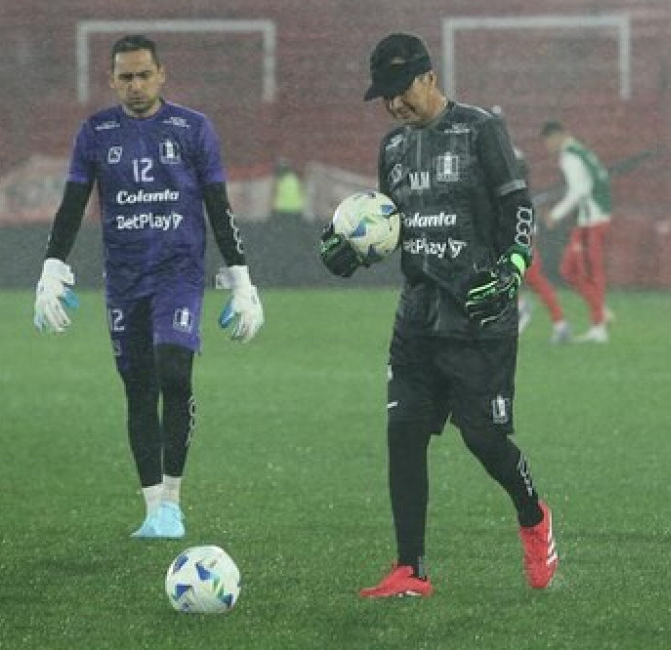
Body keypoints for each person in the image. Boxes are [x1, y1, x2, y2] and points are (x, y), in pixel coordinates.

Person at [320, 33, 558, 597]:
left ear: (429, 77)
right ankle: (411, 569)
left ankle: (533, 515)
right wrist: (346, 251)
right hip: (417, 317)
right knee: (402, 434)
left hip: (478, 317)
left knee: (485, 441)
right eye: (384, 97)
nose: (394, 105)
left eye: (400, 91)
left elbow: (517, 206)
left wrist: (513, 268)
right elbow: (387, 225)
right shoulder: (393, 149)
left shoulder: (480, 130)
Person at [32, 34, 264, 540]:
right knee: (138, 388)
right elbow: (72, 205)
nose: (135, 85)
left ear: (162, 75)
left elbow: (218, 206)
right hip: (124, 278)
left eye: (143, 75)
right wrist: (52, 265)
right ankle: (153, 508)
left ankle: (174, 500)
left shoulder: (192, 128)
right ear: (111, 80)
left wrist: (240, 277)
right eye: (125, 77)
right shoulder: (95, 132)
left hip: (178, 273)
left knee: (173, 371)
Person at [490, 107, 570, 344]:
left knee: (530, 275)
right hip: (503, 223)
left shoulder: (508, 156)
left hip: (514, 224)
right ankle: (519, 310)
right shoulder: (509, 155)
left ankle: (558, 322)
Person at [540, 120, 613, 343]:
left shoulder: (570, 156)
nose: (548, 147)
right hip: (592, 218)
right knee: (569, 270)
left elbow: (579, 190)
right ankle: (600, 311)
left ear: (559, 136)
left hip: (592, 220)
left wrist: (556, 214)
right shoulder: (579, 150)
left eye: (549, 141)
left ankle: (599, 326)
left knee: (589, 272)